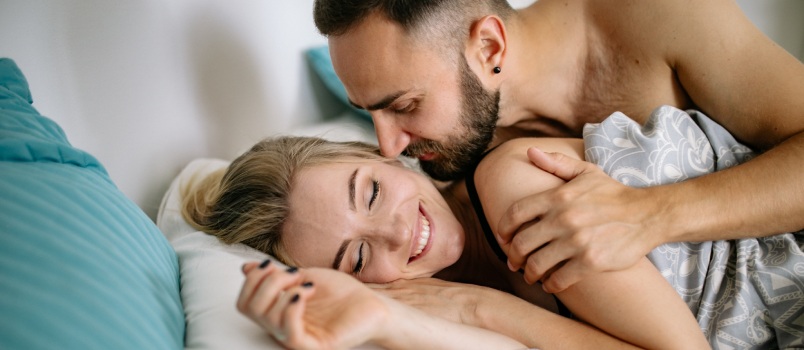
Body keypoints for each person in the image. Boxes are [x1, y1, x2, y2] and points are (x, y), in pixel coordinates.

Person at [311, 0, 804, 296]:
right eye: (367, 111)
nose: (388, 145)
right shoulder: (459, 171)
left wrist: (652, 214)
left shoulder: (656, 16)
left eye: (405, 105)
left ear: (489, 49)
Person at [182, 134, 709, 349]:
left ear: (382, 154)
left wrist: (481, 308)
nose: (395, 232)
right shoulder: (434, 307)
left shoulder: (511, 186)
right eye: (359, 256)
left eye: (370, 193)